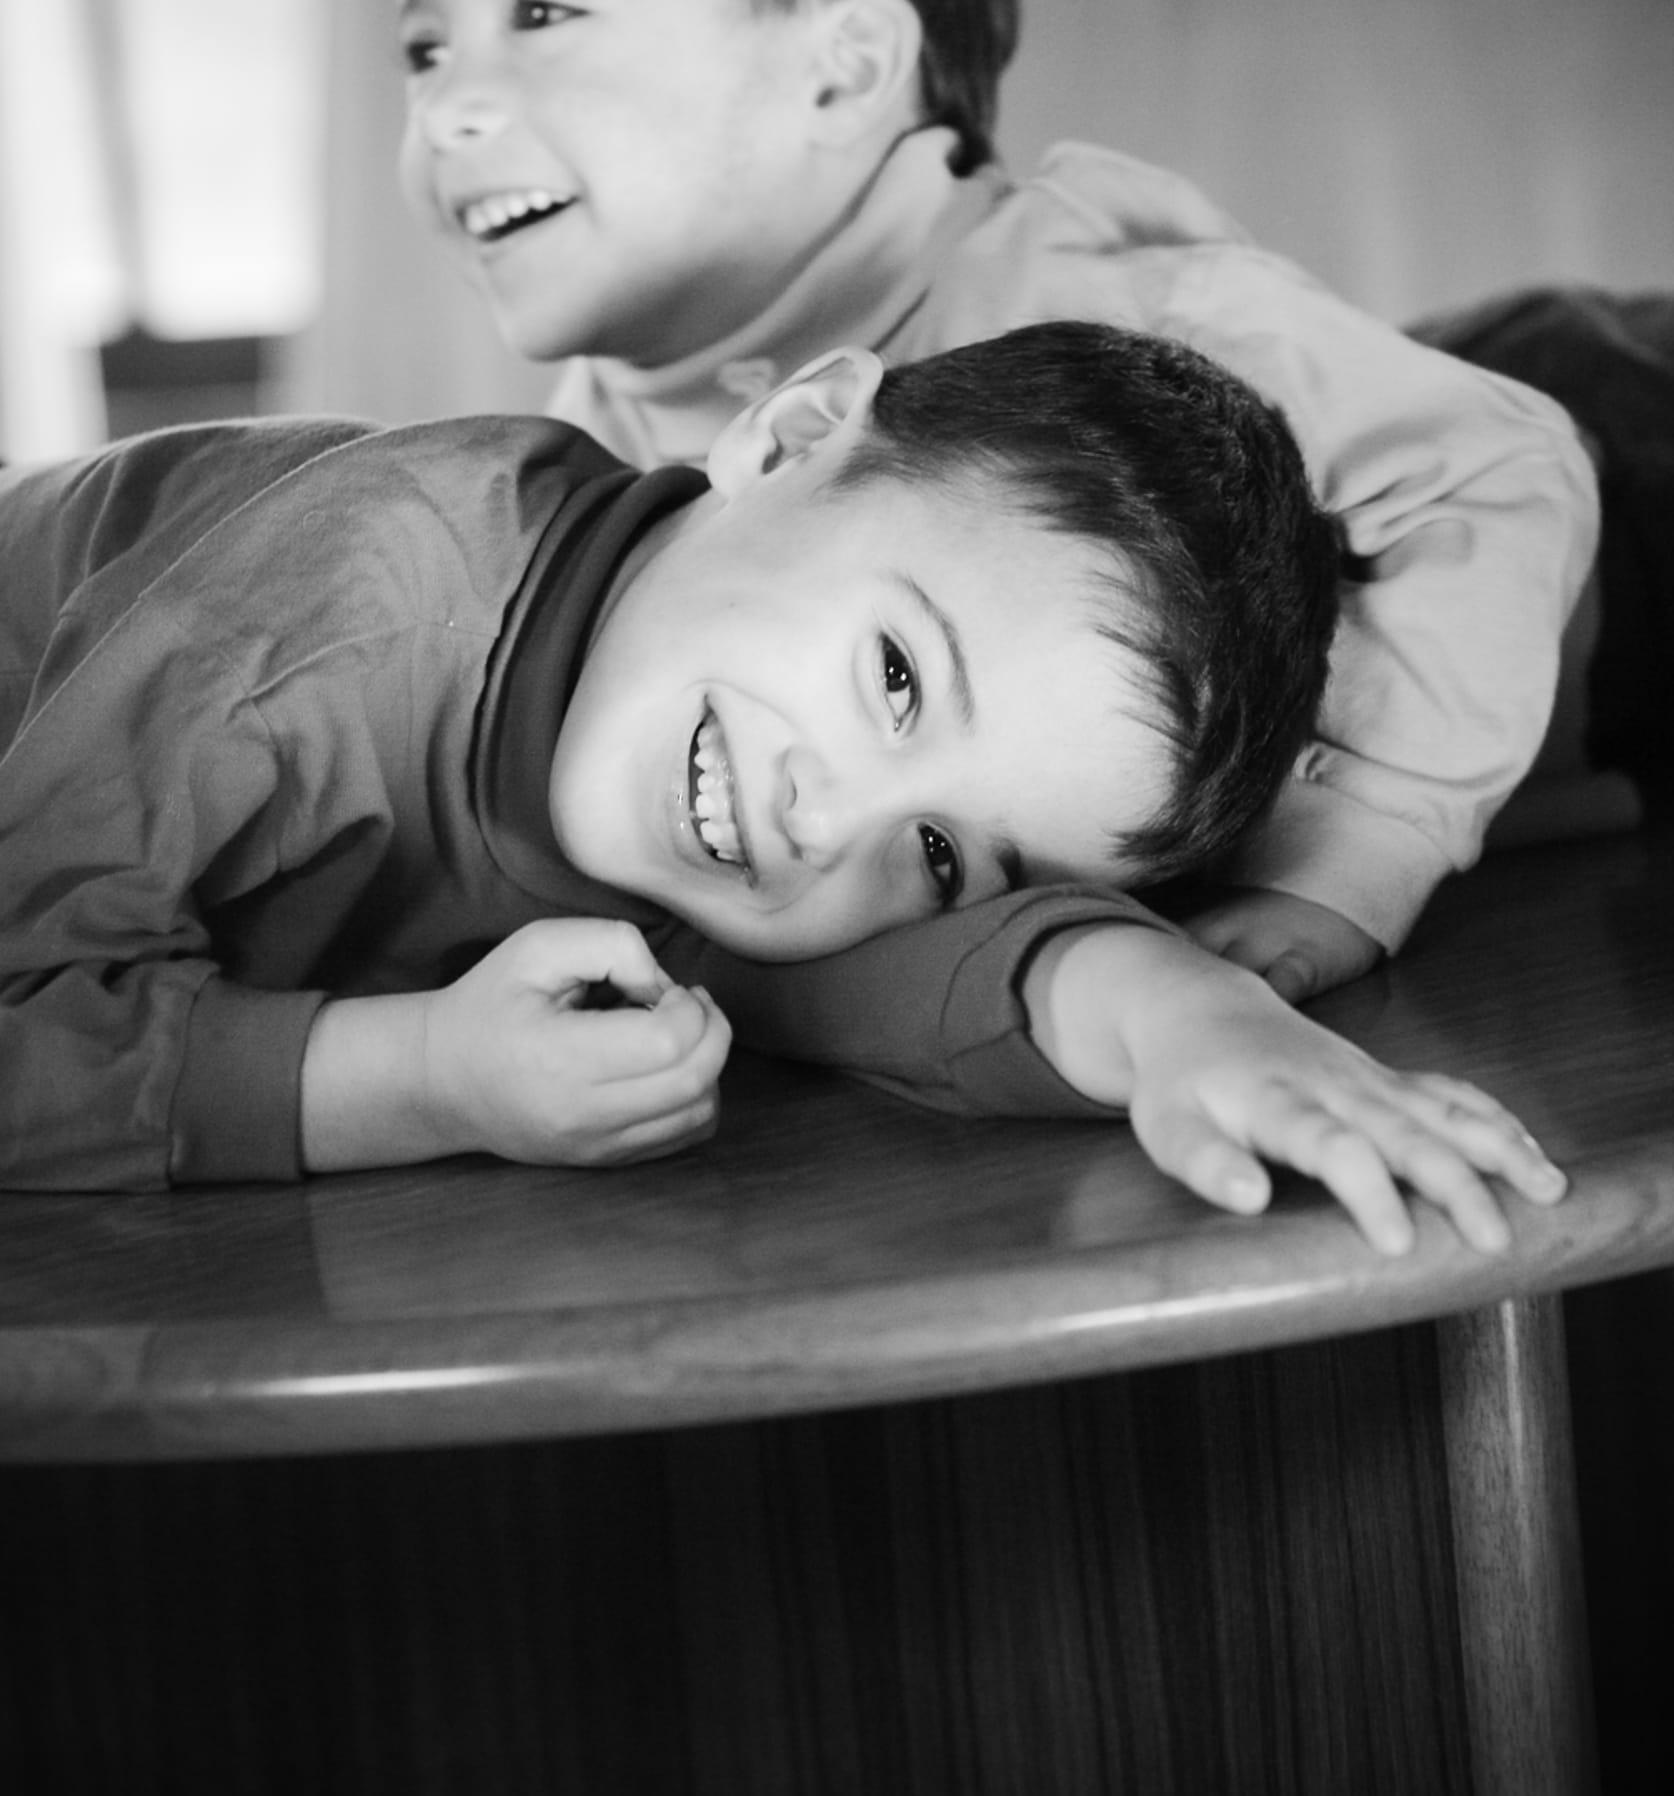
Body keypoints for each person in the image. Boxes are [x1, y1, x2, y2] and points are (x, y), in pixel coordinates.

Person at [387, 0, 1603, 1014]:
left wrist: (1355, 849)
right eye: (424, 47)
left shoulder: (1102, 312)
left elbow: (1502, 469)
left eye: (540, 13)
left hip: (1609, 473)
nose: (446, 108)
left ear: (842, 72)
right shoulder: (565, 478)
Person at [0, 323, 1565, 1254]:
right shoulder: (328, 617)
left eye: (943, 848)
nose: (833, 823)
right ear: (792, 431)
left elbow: (935, 975)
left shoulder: (730, 801)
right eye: (895, 676)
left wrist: (1193, 1021)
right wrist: (418, 1076)